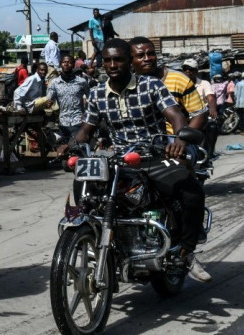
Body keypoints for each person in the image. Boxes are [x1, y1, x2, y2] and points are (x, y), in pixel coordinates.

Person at [59, 38, 211, 283]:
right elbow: (86, 130)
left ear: (129, 62)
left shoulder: (150, 85)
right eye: (107, 60)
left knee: (191, 191)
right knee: (83, 185)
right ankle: (93, 236)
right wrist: (71, 145)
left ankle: (186, 250)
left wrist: (180, 140)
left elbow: (175, 115)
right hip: (118, 159)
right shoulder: (97, 92)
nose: (112, 64)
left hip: (153, 155)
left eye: (118, 59)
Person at [129, 37, 207, 136]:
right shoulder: (129, 85)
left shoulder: (178, 79)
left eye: (151, 54)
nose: (147, 59)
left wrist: (181, 139)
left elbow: (200, 114)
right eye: (140, 56)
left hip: (174, 139)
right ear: (130, 60)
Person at [45, 55, 89, 140]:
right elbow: (49, 99)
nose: (66, 64)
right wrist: (48, 102)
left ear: (73, 65)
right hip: (63, 123)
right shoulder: (55, 83)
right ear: (61, 64)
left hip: (78, 122)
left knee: (76, 149)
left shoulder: (82, 82)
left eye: (69, 62)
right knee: (64, 150)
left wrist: (86, 113)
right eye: (64, 62)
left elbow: (90, 98)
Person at [182, 59, 219, 158]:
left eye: (191, 69)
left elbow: (210, 97)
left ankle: (209, 154)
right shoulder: (180, 84)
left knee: (212, 127)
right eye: (185, 69)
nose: (187, 72)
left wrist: (212, 108)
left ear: (196, 71)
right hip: (183, 117)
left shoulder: (204, 83)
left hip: (200, 116)